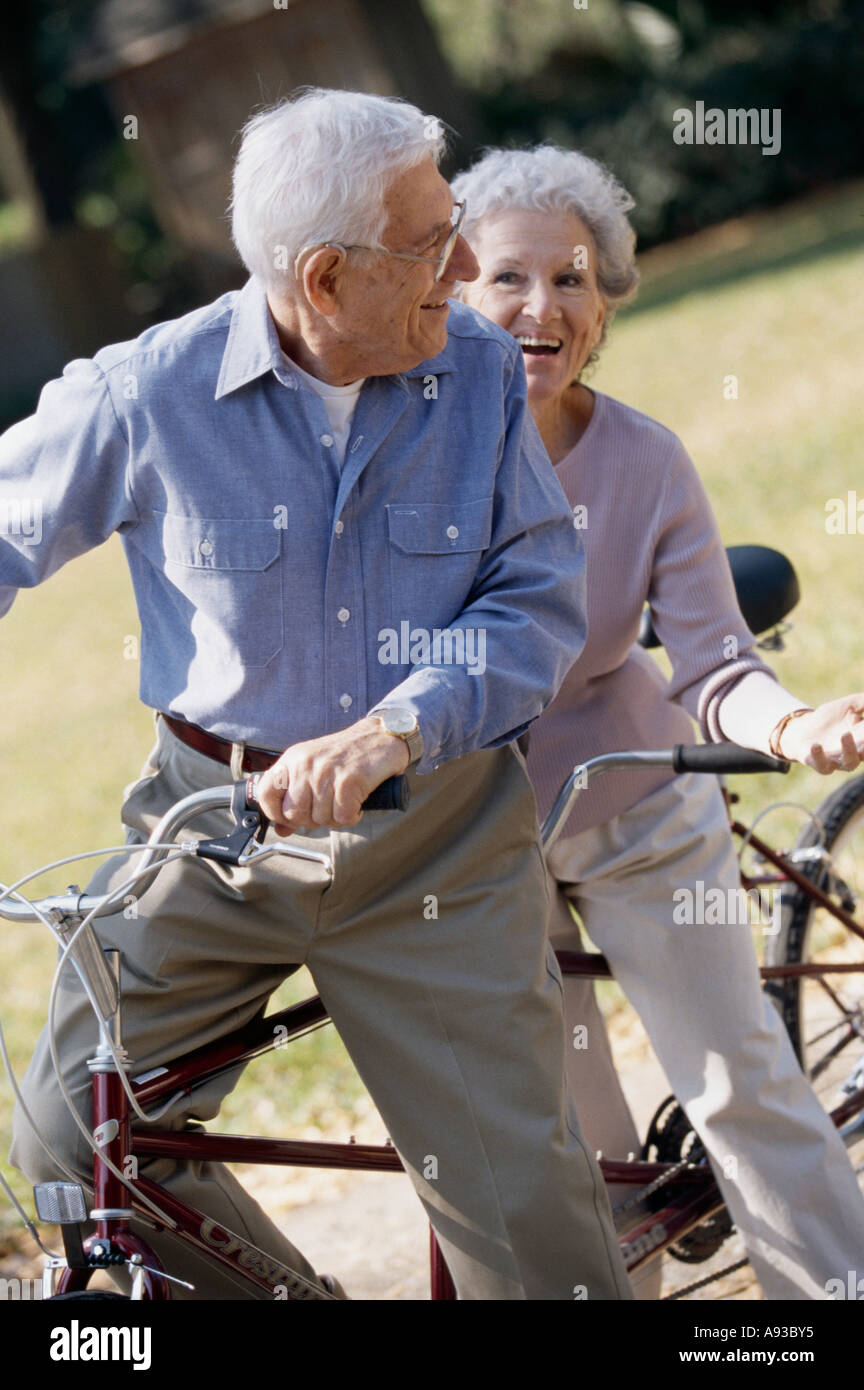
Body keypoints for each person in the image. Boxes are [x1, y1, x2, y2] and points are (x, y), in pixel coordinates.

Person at [4, 95, 634, 1301]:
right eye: (432, 241)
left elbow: (537, 596)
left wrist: (395, 722)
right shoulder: (146, 394)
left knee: (528, 1236)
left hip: (436, 840)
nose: (467, 267)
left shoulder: (484, 373)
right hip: (212, 837)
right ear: (327, 276)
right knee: (74, 1151)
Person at [453, 143, 864, 1300]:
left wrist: (792, 729)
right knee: (573, 1141)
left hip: (637, 795)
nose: (544, 306)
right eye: (507, 278)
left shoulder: (644, 459)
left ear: (607, 304)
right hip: (479, 840)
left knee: (740, 1081)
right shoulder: (408, 460)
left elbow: (718, 659)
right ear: (448, 295)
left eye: (573, 279)